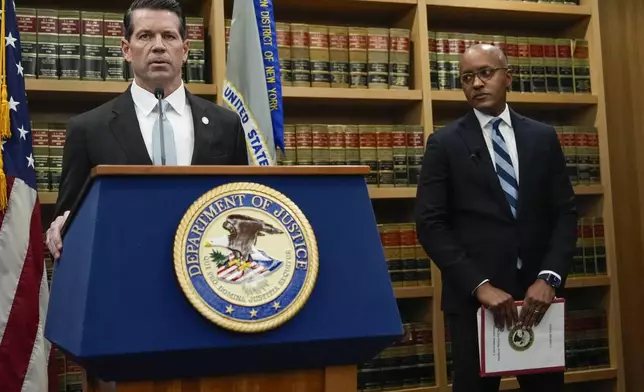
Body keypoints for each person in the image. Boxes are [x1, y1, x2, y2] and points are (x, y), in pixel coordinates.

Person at [414, 43, 576, 392]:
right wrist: (480, 286)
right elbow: (430, 224)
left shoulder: (542, 137)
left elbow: (565, 213)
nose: (476, 84)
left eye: (486, 73)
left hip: (539, 301)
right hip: (476, 304)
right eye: (467, 77)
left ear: (508, 78)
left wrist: (549, 278)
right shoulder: (444, 144)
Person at [45, 0, 248, 260]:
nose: (159, 46)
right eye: (145, 36)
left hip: (208, 270)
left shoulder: (226, 125)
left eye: (169, 36)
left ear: (185, 50)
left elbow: (242, 207)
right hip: (124, 269)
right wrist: (62, 226)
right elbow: (70, 221)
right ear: (126, 49)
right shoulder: (88, 129)